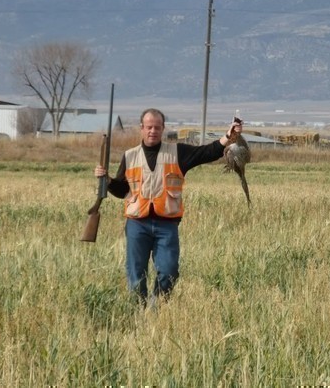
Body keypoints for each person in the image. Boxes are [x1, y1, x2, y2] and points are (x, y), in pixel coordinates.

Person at [94, 108, 242, 306]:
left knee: (169, 271)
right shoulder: (129, 156)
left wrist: (228, 136)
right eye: (148, 127)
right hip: (137, 223)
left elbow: (208, 152)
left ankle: (156, 304)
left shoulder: (178, 153)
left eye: (157, 127)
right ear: (141, 129)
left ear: (163, 129)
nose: (152, 131)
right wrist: (108, 180)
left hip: (167, 225)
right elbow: (122, 191)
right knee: (136, 272)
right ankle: (139, 310)